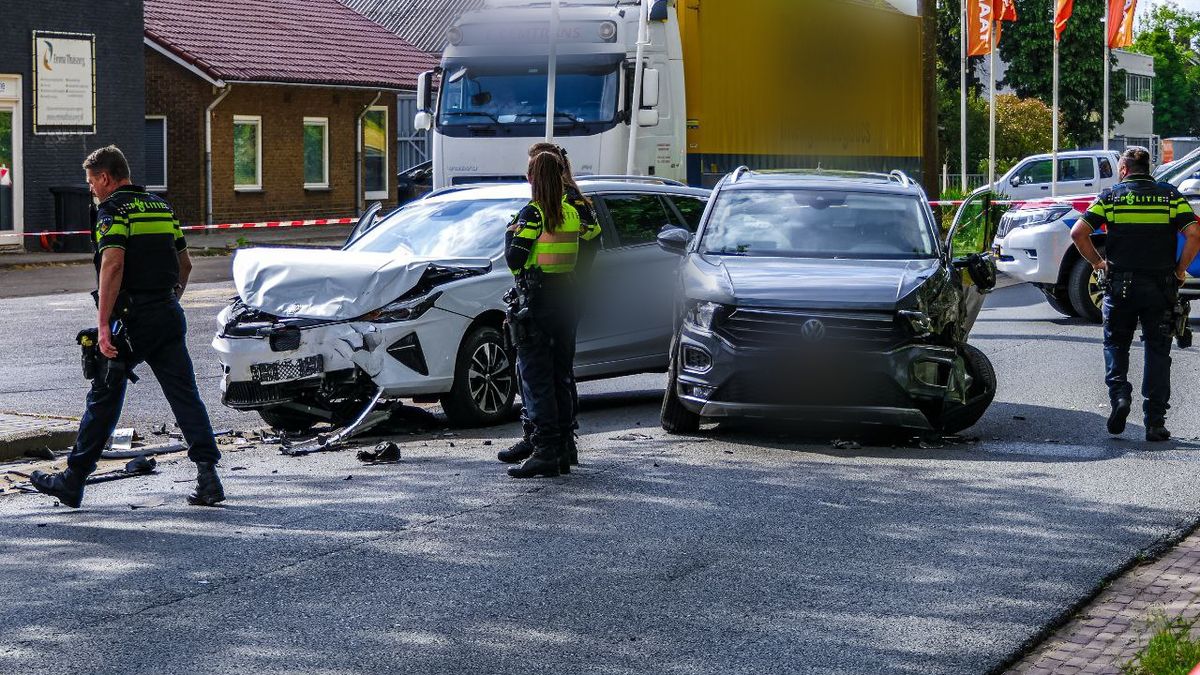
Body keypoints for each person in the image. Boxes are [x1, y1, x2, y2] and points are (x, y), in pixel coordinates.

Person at [29, 145, 225, 507]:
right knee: (184, 395)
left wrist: (103, 326)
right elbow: (185, 266)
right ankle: (208, 475)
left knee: (104, 394)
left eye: (91, 182)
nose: (90, 189)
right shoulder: (161, 207)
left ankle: (72, 481)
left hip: (133, 320)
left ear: (105, 177)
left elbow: (113, 266)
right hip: (167, 314)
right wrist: (168, 303)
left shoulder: (112, 211)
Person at [1071, 146, 1200, 442]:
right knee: (1158, 350)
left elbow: (1078, 232)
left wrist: (1097, 263)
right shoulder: (1169, 196)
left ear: (1125, 169)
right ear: (1148, 168)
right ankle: (1155, 422)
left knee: (1116, 344)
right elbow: (1194, 233)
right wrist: (1181, 270)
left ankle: (1119, 398)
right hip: (1160, 286)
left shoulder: (1112, 197)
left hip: (1120, 286)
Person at [498, 144, 600, 472]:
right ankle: (561, 446)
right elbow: (591, 243)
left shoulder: (535, 213)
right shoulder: (573, 210)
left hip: (537, 301)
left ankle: (545, 449)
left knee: (536, 376)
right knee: (559, 374)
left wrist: (510, 233)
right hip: (564, 298)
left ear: (532, 177)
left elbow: (515, 258)